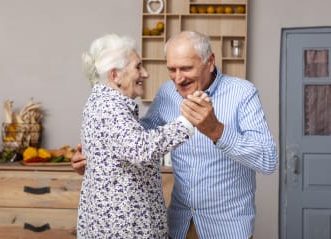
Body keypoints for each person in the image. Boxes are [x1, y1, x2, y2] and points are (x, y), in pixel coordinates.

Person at [72, 31, 278, 239]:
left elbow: (268, 160)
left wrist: (216, 130)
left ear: (210, 61)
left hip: (227, 229)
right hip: (179, 227)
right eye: (172, 69)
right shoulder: (167, 93)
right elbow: (138, 139)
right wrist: (100, 157)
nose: (178, 79)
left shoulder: (242, 93)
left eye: (186, 68)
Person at [76, 33, 210, 239]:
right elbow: (141, 149)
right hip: (124, 229)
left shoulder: (102, 103)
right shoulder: (110, 108)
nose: (145, 74)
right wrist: (187, 121)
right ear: (115, 75)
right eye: (138, 66)